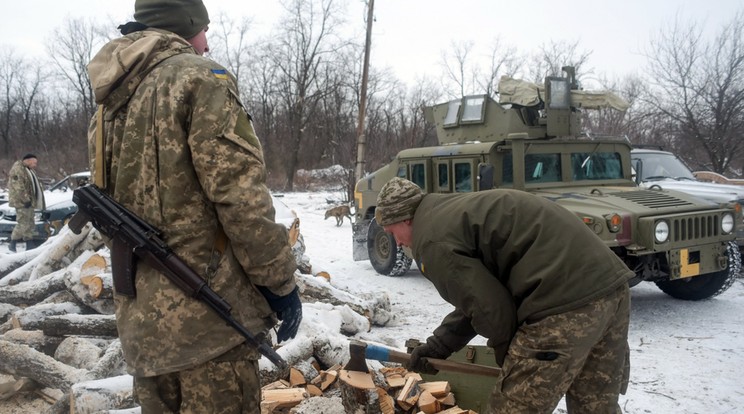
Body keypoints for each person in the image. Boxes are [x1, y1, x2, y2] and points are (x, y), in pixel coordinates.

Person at [86, 1, 302, 412]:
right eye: (203, 29)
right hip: (210, 329)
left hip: (143, 331)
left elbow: (107, 208)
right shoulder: (201, 78)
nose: (206, 43)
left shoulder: (108, 101)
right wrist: (280, 284)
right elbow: (241, 197)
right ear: (185, 26)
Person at [375, 177, 632, 413]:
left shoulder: (431, 241)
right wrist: (439, 346)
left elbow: (492, 312)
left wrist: (510, 366)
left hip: (561, 307)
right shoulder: (447, 212)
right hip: (611, 289)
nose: (397, 242)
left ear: (405, 218)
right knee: (595, 407)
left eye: (391, 231)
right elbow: (478, 298)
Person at [7, 153, 45, 252]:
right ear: (28, 160)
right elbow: (19, 187)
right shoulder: (18, 169)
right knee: (23, 223)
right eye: (34, 162)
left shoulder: (28, 170)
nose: (35, 164)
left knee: (30, 223)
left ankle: (29, 243)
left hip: (29, 202)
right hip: (22, 202)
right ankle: (12, 243)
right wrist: (26, 199)